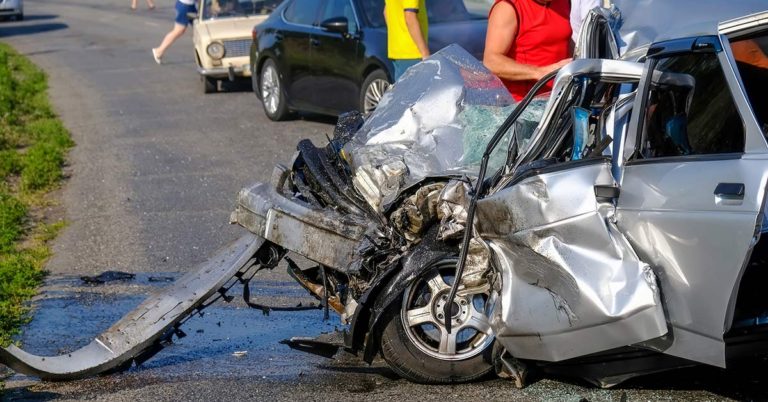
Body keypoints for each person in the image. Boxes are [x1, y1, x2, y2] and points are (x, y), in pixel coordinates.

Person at [483, 0, 572, 101]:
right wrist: (540, 72)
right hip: (523, 105)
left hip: (561, 98)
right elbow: (491, 61)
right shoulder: (507, 7)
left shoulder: (565, 3)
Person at [384, 0, 429, 81]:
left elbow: (386, 12)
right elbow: (410, 16)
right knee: (416, 91)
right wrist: (425, 54)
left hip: (397, 52)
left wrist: (398, 35)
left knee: (403, 91)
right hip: (413, 53)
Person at [151, 0, 198, 64]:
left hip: (190, 5)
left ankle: (203, 53)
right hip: (185, 5)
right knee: (179, 30)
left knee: (199, 29)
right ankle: (159, 50)